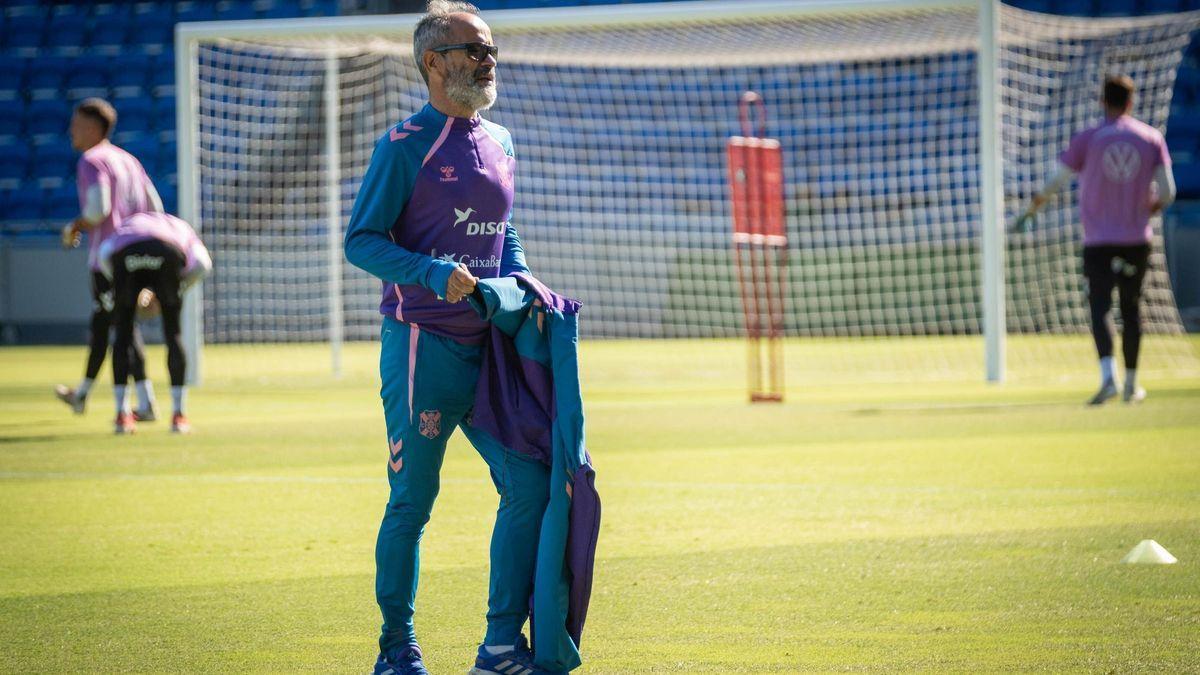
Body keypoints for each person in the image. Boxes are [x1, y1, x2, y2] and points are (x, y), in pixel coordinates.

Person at [342, 3, 556, 673]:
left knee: (530, 483)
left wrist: (523, 278)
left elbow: (501, 231)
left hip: (491, 352)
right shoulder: (404, 145)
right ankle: (396, 649)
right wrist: (432, 273)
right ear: (434, 62)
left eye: (490, 49)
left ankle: (500, 645)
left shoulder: (503, 142)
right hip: (422, 348)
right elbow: (361, 240)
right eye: (474, 50)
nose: (488, 60)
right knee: (413, 501)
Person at [1016, 74, 1176, 406]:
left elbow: (1054, 181)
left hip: (1098, 240)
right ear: (1130, 102)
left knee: (1100, 306)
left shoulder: (1088, 138)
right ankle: (1131, 384)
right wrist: (1148, 209)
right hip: (1136, 239)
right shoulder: (1150, 138)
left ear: (1102, 101)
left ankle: (1108, 379)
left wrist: (1032, 209)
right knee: (1132, 308)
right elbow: (1168, 192)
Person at [56, 98, 165, 420]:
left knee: (120, 326)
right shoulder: (129, 160)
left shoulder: (92, 160)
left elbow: (98, 209)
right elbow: (155, 207)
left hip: (109, 259)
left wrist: (74, 227)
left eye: (76, 125)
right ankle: (83, 394)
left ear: (92, 128)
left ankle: (143, 404)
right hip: (138, 256)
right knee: (106, 324)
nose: (71, 131)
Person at [97, 211, 211, 434]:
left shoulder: (128, 224)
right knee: (173, 333)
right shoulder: (182, 227)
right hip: (168, 252)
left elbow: (103, 255)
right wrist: (177, 287)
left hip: (127, 252)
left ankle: (121, 415)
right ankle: (178, 416)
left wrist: (121, 288)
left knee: (123, 334)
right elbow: (203, 264)